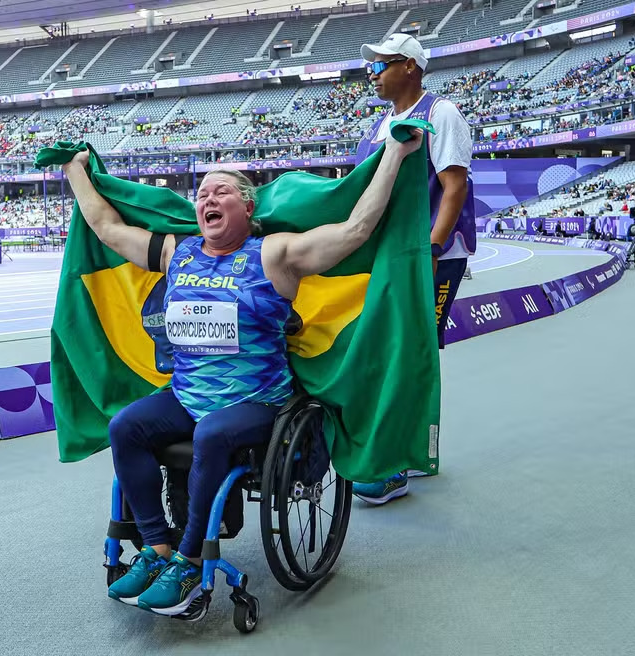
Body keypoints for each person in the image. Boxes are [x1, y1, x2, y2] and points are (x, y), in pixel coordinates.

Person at [62, 129, 424, 615]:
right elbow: (107, 228)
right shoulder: (178, 252)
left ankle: (191, 560)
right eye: (203, 193)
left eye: (222, 191)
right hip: (188, 393)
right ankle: (158, 549)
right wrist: (75, 173)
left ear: (248, 208)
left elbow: (356, 230)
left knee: (212, 434)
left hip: (257, 401)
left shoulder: (274, 254)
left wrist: (396, 155)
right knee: (125, 427)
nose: (209, 198)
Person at [352, 33, 475, 504]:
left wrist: (433, 247)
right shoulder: (382, 123)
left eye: (381, 65)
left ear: (409, 66)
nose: (373, 74)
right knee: (405, 349)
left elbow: (454, 187)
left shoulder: (440, 113)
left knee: (408, 350)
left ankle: (396, 465)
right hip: (390, 256)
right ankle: (417, 452)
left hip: (427, 255)